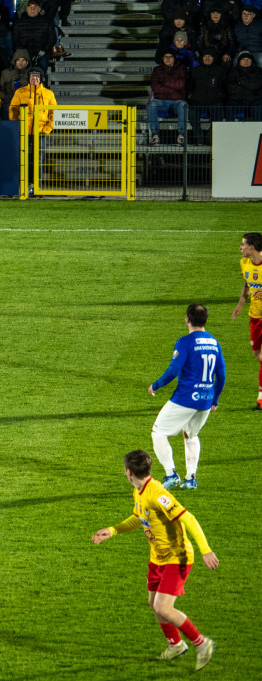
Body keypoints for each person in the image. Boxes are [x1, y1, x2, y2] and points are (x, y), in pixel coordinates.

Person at [91, 449, 217, 672]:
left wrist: (205, 550)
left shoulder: (158, 493)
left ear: (128, 472)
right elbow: (141, 516)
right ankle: (176, 645)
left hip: (176, 557)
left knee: (163, 607)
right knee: (154, 605)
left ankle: (202, 643)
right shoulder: (140, 491)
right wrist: (113, 530)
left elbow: (188, 517)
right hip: (157, 558)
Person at [149, 304, 226, 490]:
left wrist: (156, 385)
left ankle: (170, 473)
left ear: (187, 319)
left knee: (158, 432)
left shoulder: (185, 342)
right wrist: (214, 399)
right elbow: (222, 375)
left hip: (186, 397)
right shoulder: (214, 342)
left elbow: (174, 370)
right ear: (206, 320)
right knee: (191, 433)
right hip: (206, 398)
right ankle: (191, 478)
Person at [232, 232, 262, 410]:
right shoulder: (244, 263)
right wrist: (240, 304)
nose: (240, 247)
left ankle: (260, 398)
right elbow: (247, 284)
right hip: (255, 316)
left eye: (242, 245)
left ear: (252, 248)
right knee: (258, 356)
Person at [147, 49, 189, 146]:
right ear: (162, 58)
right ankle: (155, 135)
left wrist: (165, 83)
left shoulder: (181, 68)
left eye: (170, 57)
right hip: (161, 100)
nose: (168, 59)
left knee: (183, 105)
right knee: (152, 105)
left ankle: (181, 135)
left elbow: (181, 84)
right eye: (166, 57)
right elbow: (155, 87)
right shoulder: (157, 70)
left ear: (174, 58)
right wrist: (173, 88)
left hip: (177, 101)